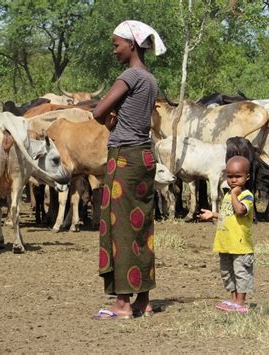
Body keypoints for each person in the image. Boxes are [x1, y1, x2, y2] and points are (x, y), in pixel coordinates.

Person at [92, 20, 166, 320]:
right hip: (144, 158)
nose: (114, 50)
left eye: (116, 44)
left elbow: (98, 113)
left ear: (131, 44)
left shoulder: (130, 75)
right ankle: (143, 300)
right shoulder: (149, 78)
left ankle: (122, 303)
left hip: (123, 158)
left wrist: (105, 114)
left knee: (121, 227)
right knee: (141, 227)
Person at [198, 156, 254, 314]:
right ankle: (233, 299)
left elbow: (240, 211)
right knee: (228, 273)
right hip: (225, 244)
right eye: (230, 177)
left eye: (238, 176)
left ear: (247, 177)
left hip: (240, 245)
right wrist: (213, 214)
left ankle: (241, 303)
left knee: (241, 272)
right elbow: (227, 215)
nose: (233, 180)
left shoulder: (246, 196)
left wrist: (235, 195)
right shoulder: (228, 196)